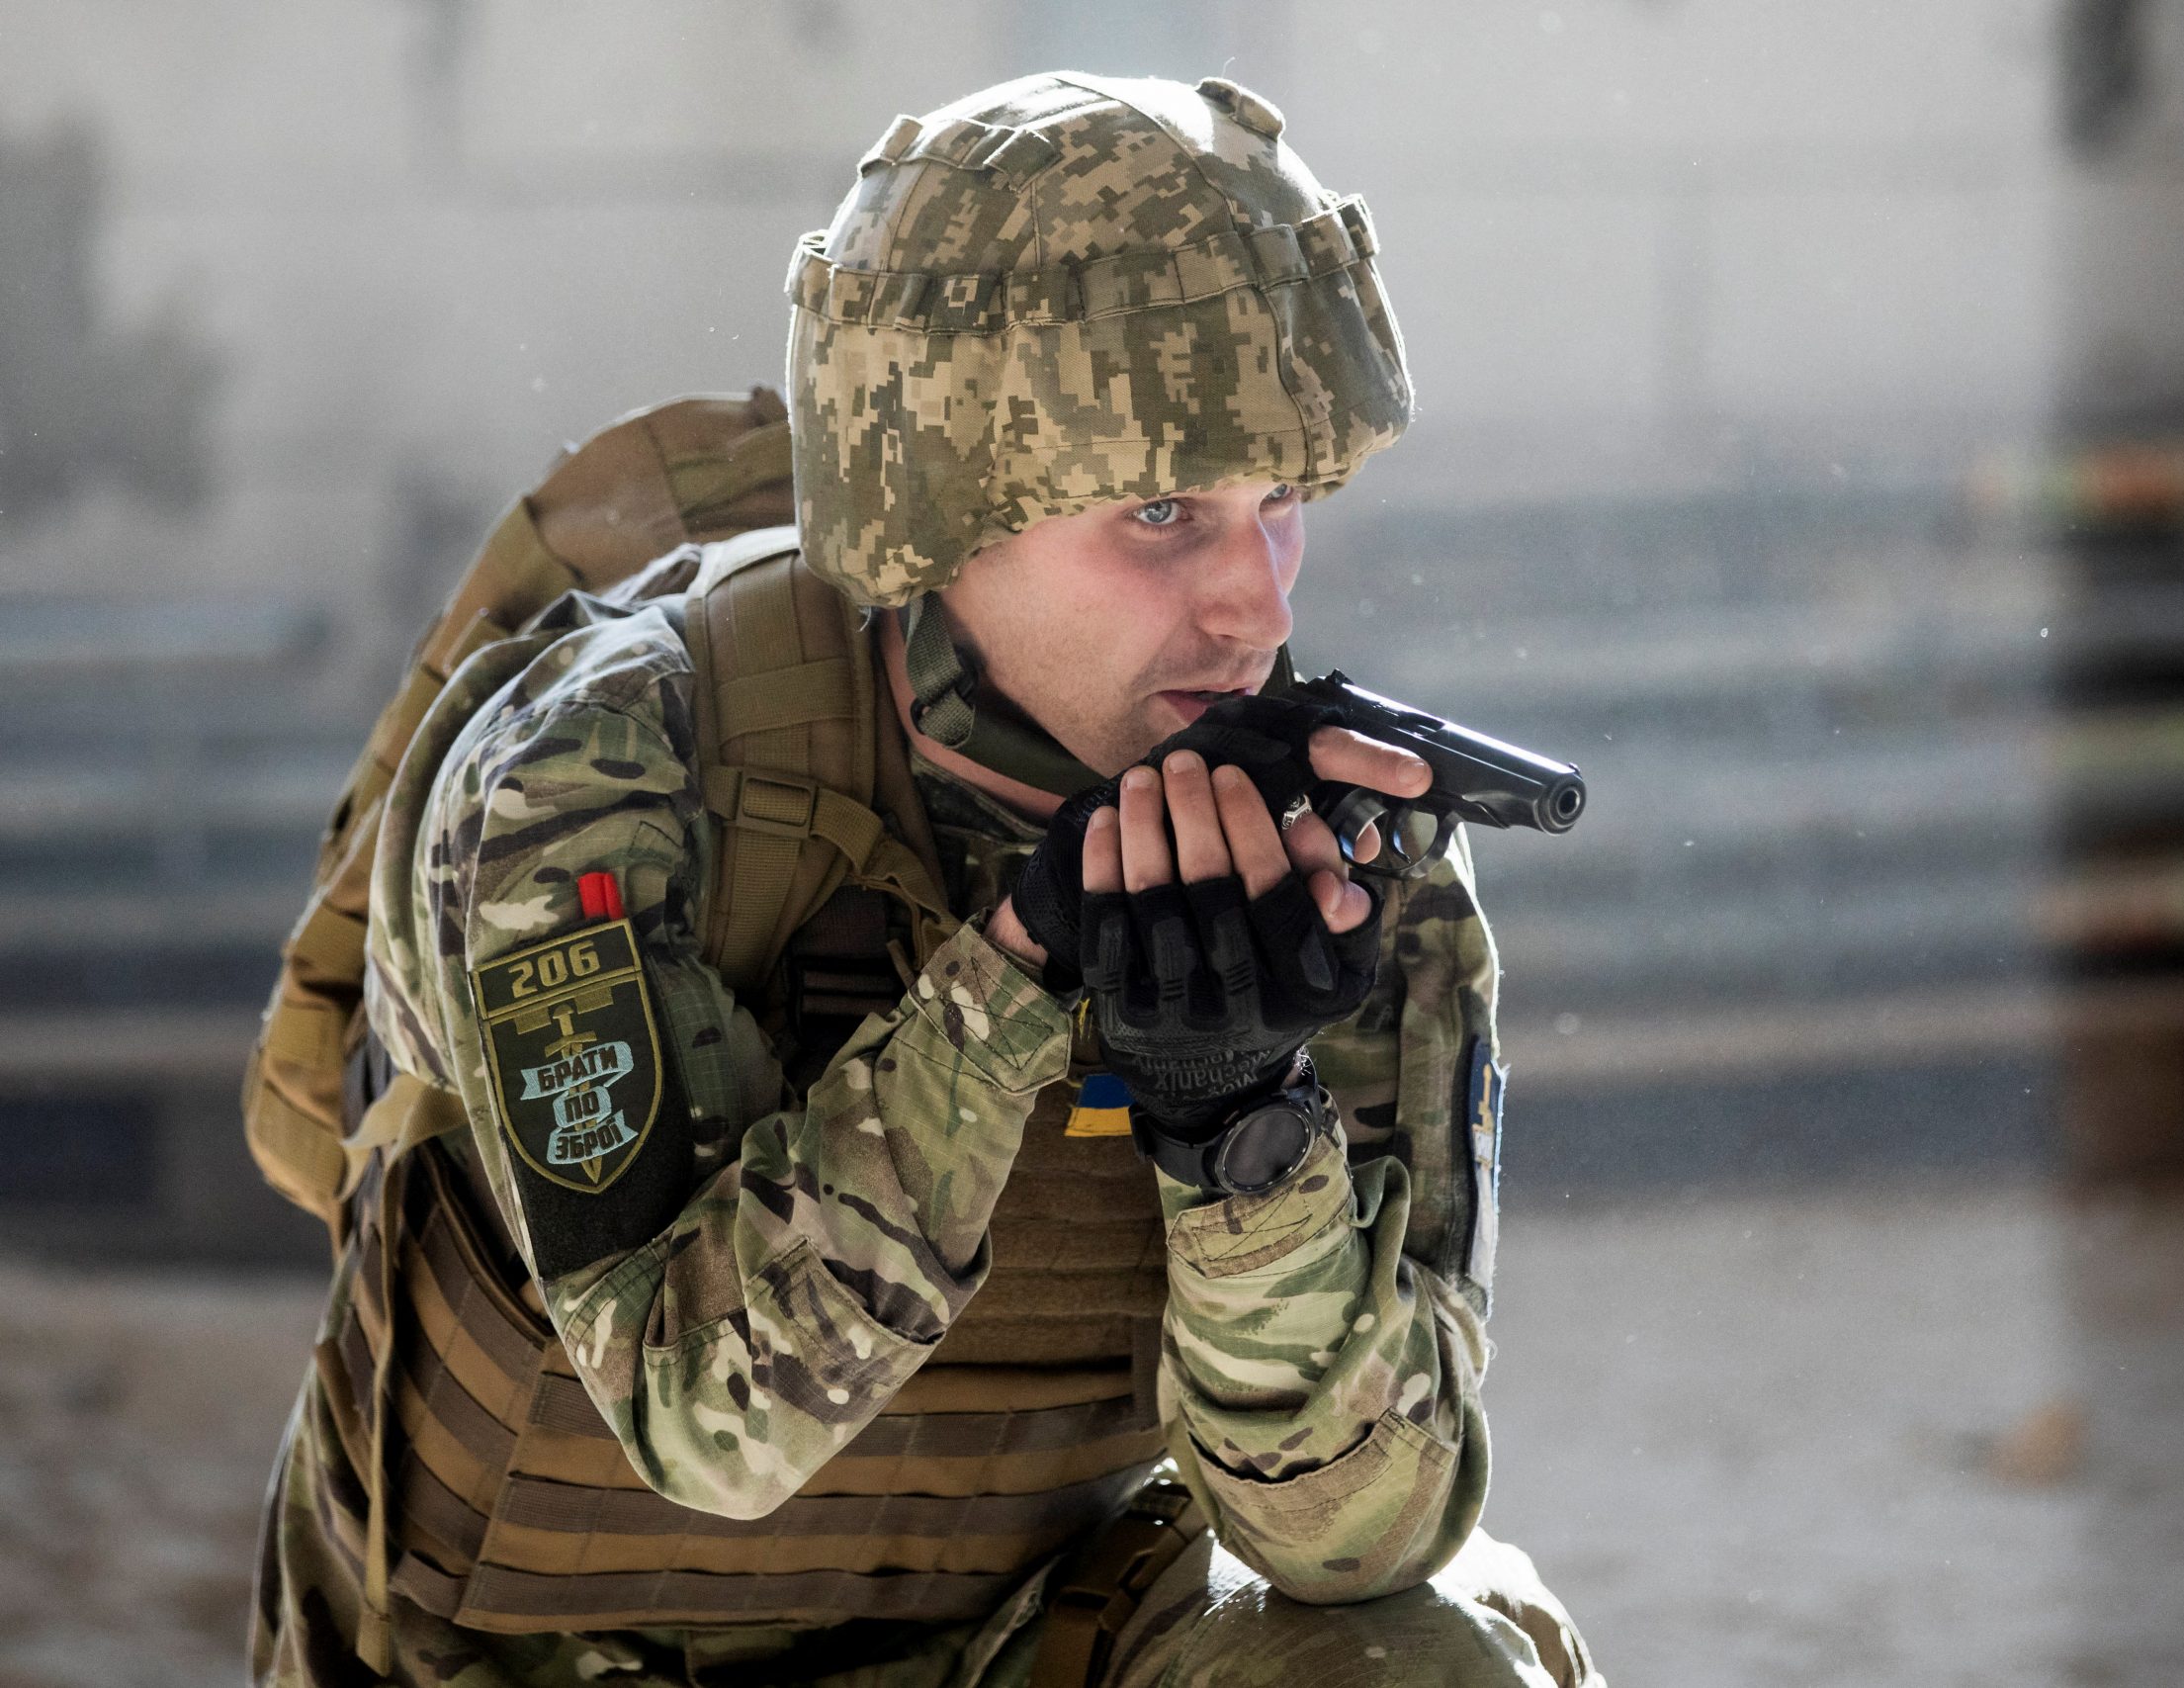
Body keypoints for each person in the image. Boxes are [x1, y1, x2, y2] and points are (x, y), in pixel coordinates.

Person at [250, 71, 1599, 1688]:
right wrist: (1022, 970)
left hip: (1021, 1636)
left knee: (1416, 1662)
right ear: (938, 512)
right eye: (1162, 514)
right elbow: (703, 1424)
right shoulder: (603, 777)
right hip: (530, 1656)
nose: (1253, 606)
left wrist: (1240, 1129)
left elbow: (1365, 1535)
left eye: (1281, 505)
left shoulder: (1337, 847)